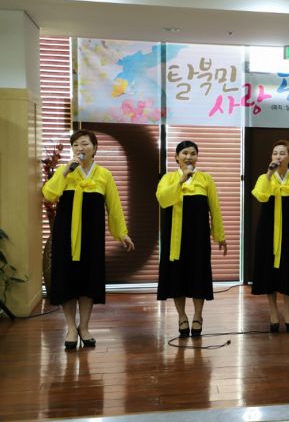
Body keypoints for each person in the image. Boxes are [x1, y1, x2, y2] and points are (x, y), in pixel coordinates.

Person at [42, 130, 135, 350]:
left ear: (94, 148)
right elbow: (49, 194)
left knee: (88, 280)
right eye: (75, 145)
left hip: (92, 237)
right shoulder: (66, 171)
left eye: (84, 144)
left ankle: (84, 327)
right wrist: (65, 172)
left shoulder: (104, 175)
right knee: (67, 279)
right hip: (66, 235)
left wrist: (122, 233)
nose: (79, 148)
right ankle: (70, 328)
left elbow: (114, 206)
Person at [156, 140, 227, 338]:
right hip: (174, 238)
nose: (189, 157)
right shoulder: (168, 178)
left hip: (198, 238)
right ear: (176, 157)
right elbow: (163, 199)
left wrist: (220, 235)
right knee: (176, 276)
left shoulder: (206, 179)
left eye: (193, 153)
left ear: (197, 157)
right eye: (185, 153)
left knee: (198, 275)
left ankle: (198, 315)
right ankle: (181, 316)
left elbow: (215, 208)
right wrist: (180, 181)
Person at [251, 140, 289, 333]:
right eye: (275, 153)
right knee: (269, 272)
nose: (278, 156)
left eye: (282, 153)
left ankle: (287, 311)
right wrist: (269, 175)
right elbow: (260, 195)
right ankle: (273, 312)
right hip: (268, 231)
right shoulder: (265, 178)